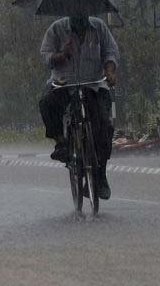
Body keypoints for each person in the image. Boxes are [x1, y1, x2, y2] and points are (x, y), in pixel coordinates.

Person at [39, 14, 119, 199]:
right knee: (46, 104)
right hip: (64, 85)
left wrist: (109, 71)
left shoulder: (99, 28)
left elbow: (111, 52)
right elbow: (46, 56)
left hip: (94, 85)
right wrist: (61, 55)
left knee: (105, 126)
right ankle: (61, 143)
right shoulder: (56, 29)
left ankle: (100, 176)